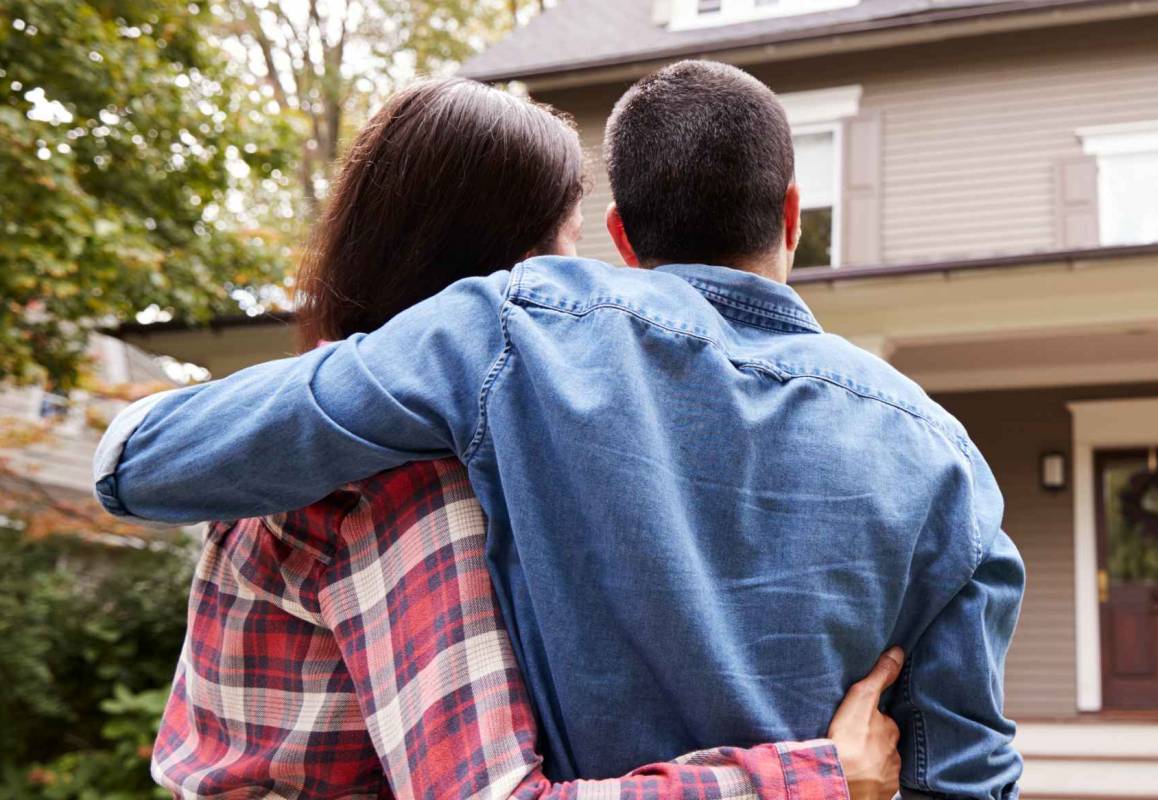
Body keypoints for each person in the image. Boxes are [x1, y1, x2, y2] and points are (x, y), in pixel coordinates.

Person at [96, 61, 1024, 800]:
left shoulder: (499, 339)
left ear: (622, 237)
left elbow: (138, 468)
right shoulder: (949, 460)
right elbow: (965, 772)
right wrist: (827, 777)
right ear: (793, 215)